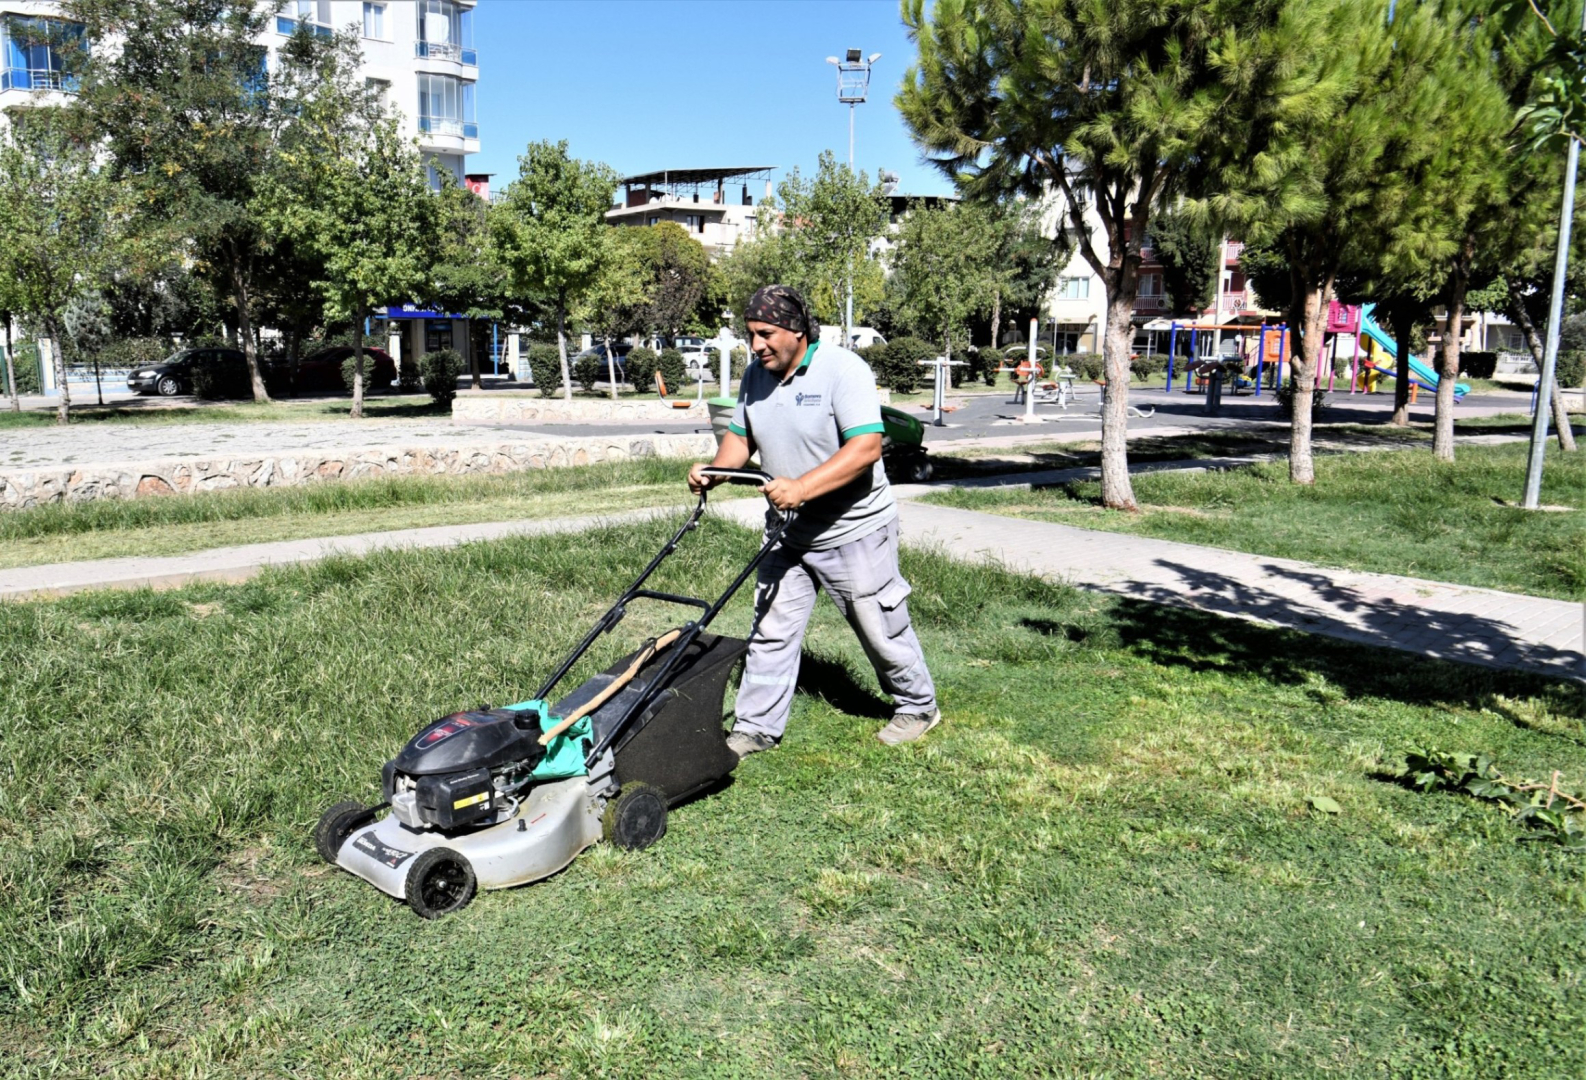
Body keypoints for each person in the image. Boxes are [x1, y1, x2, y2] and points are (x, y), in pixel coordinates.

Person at [688, 284, 939, 758]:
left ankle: (917, 705)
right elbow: (741, 441)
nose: (756, 345)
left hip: (854, 527)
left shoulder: (844, 370)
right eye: (750, 336)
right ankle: (756, 727)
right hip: (788, 532)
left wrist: (802, 487)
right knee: (771, 627)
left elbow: (864, 450)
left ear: (797, 330)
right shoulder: (755, 376)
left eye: (765, 334)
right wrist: (715, 472)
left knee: (878, 625)